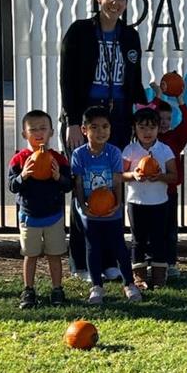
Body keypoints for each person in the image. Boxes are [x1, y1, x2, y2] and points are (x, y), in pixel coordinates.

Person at [60, 0, 147, 280]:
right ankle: (82, 262)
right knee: (84, 185)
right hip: (85, 114)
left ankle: (109, 260)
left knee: (112, 183)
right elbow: (67, 79)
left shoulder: (130, 35)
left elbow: (134, 81)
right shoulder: (80, 31)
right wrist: (72, 121)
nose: (115, 2)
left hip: (119, 116)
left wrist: (150, 102)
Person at [71, 106, 142, 304]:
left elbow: (118, 180)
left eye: (105, 126)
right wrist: (83, 206)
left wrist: (118, 203)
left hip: (111, 209)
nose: (100, 131)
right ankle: (96, 286)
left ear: (110, 129)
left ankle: (129, 283)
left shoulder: (114, 153)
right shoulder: (79, 154)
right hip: (89, 210)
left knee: (119, 245)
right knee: (92, 246)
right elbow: (77, 182)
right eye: (94, 127)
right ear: (84, 130)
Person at [8, 110, 73, 309]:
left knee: (55, 255)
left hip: (53, 216)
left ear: (51, 132)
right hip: (29, 216)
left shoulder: (59, 160)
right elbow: (12, 186)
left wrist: (57, 178)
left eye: (43, 128)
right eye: (33, 129)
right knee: (31, 255)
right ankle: (28, 290)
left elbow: (68, 185)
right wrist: (23, 176)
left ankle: (57, 289)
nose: (38, 133)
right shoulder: (19, 160)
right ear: (24, 134)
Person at [122, 107, 177, 289]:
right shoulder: (130, 150)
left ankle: (159, 276)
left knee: (158, 239)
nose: (147, 132)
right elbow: (120, 174)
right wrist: (134, 175)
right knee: (138, 239)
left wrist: (160, 176)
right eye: (143, 128)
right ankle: (139, 276)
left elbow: (174, 176)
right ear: (135, 128)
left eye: (151, 128)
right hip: (136, 202)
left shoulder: (165, 150)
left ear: (158, 129)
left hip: (159, 202)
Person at [151, 82, 187, 278]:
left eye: (168, 118)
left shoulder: (175, 138)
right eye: (160, 118)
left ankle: (170, 262)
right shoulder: (146, 138)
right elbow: (143, 117)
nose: (164, 122)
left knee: (169, 231)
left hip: (169, 193)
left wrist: (180, 99)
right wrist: (158, 97)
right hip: (149, 194)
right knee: (152, 230)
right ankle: (153, 261)